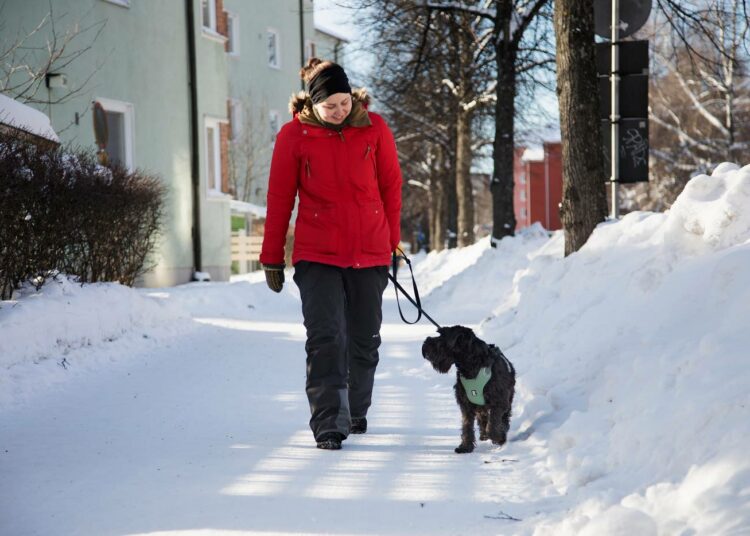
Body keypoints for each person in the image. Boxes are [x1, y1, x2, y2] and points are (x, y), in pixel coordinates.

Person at [259, 58, 403, 450]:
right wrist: (272, 255)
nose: (339, 111)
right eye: (330, 106)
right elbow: (279, 197)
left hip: (370, 252)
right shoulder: (294, 136)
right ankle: (328, 422)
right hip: (317, 252)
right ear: (312, 103)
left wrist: (391, 240)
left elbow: (391, 186)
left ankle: (355, 410)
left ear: (352, 96)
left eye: (343, 102)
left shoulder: (375, 128)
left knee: (363, 339)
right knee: (325, 337)